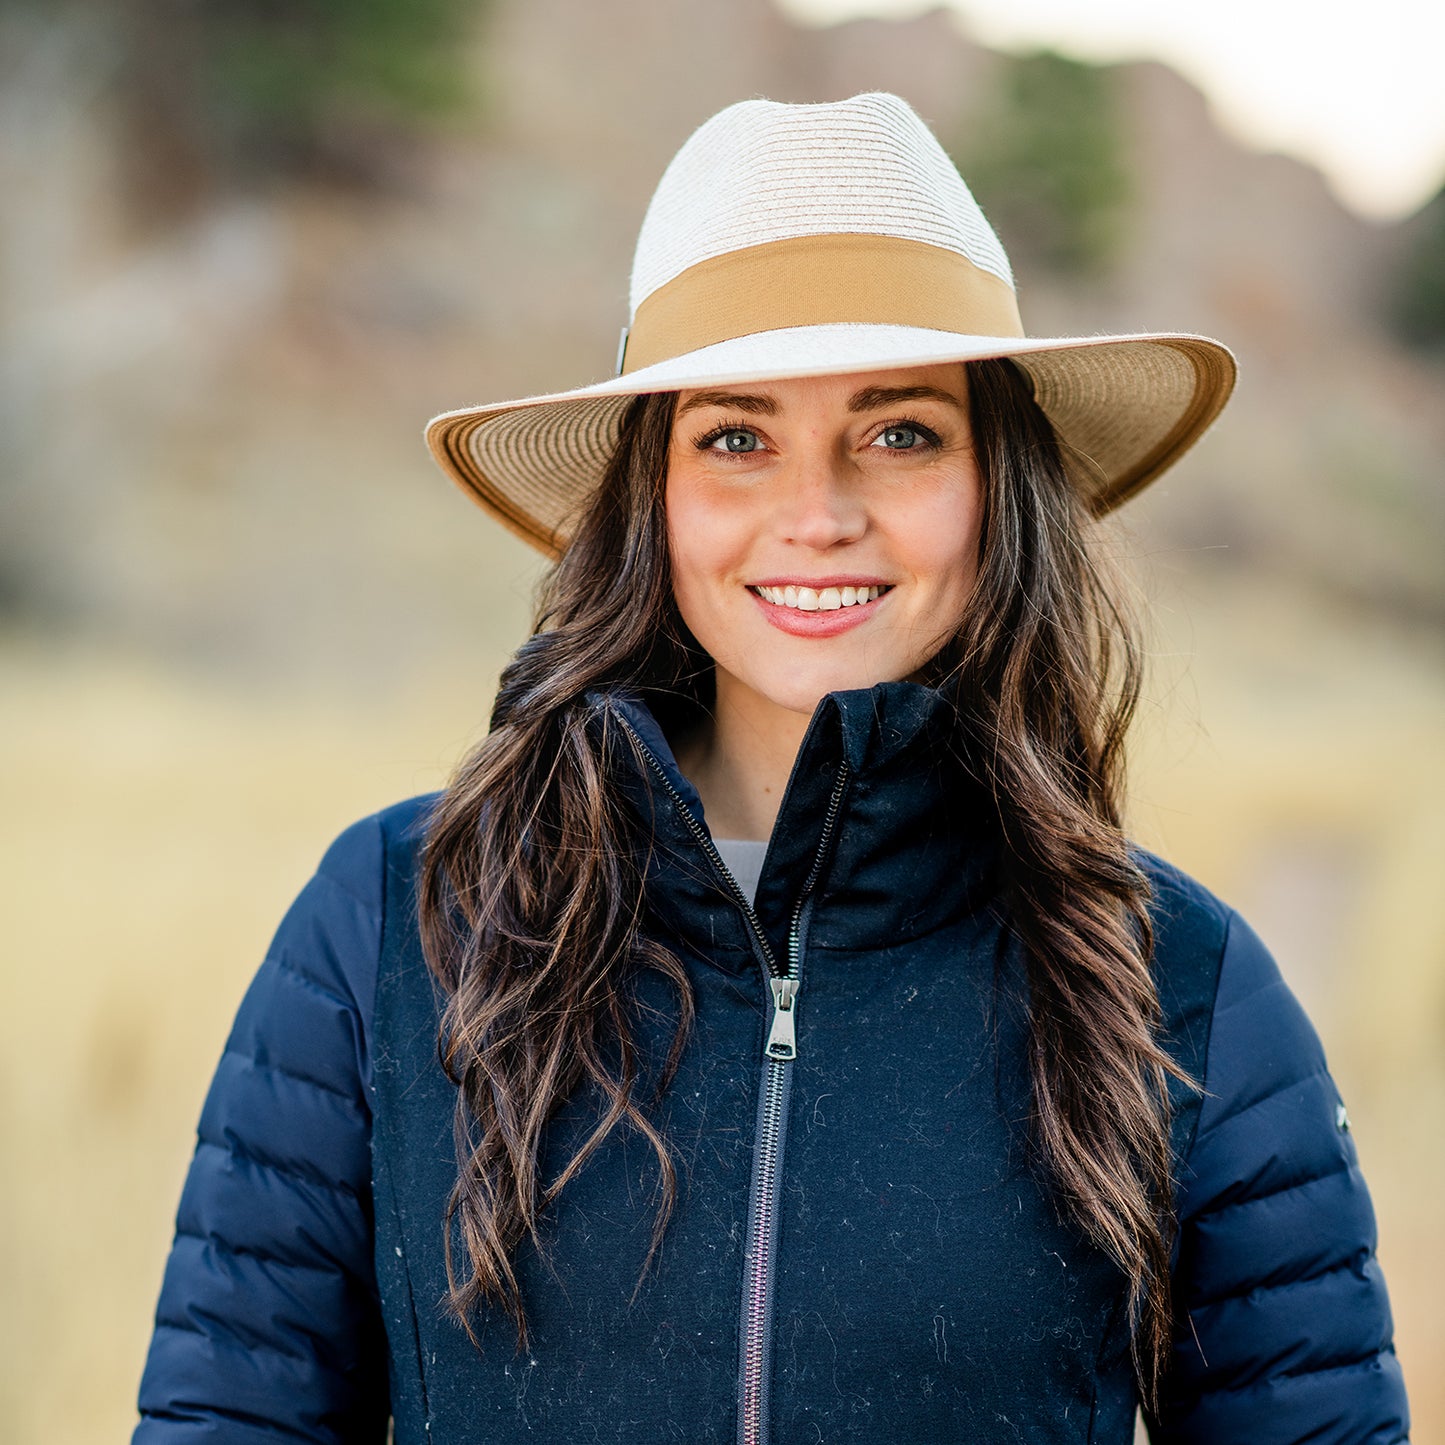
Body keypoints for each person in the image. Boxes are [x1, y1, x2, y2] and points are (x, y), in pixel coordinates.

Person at [133, 94, 1410, 1444]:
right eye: (735, 438)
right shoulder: (396, 923)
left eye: (901, 431)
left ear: (997, 485)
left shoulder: (1180, 986)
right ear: (654, 494)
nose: (817, 514)